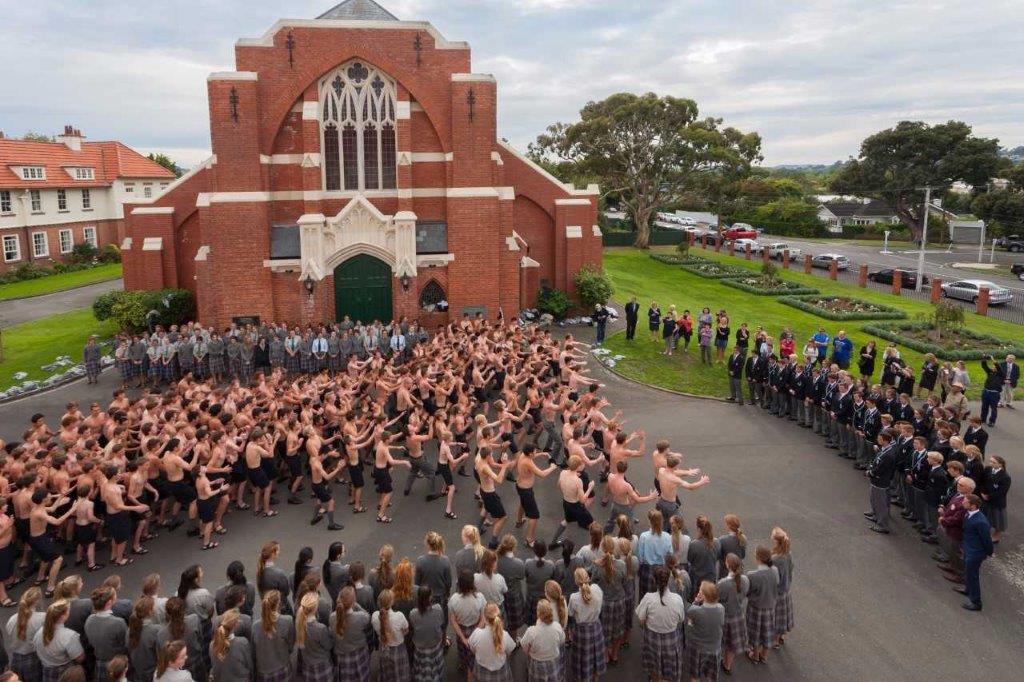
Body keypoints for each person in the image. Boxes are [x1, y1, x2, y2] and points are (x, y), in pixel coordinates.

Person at [635, 566, 685, 682]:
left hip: (652, 639)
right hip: (671, 640)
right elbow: (680, 620)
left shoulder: (648, 598)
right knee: (669, 669)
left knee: (654, 667)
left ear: (654, 580)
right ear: (669, 580)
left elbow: (641, 620)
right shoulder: (677, 599)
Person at [957, 494, 994, 611]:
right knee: (968, 572)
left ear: (972, 506)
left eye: (965, 501)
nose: (962, 502)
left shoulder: (981, 522)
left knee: (973, 575)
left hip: (975, 553)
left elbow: (987, 540)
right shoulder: (969, 514)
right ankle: (968, 589)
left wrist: (989, 552)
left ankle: (976, 602)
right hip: (969, 548)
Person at [567, 568, 605, 681]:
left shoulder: (574, 597)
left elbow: (570, 613)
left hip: (581, 632)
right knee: (596, 659)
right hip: (596, 627)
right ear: (588, 577)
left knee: (581, 659)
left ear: (576, 581)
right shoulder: (597, 589)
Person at [744, 547, 779, 665]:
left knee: (755, 632)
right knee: (767, 630)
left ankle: (755, 655)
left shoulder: (753, 575)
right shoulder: (774, 571)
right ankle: (764, 655)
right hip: (770, 606)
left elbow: (747, 592)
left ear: (758, 558)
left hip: (756, 607)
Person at [686, 581, 725, 682]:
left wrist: (696, 601)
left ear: (703, 596)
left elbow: (689, 620)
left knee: (695, 676)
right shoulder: (721, 608)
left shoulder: (695, 611)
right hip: (714, 648)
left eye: (700, 591)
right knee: (711, 676)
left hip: (697, 648)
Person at [716, 554, 749, 675]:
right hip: (738, 616)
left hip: (724, 617)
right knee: (731, 645)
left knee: (719, 642)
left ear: (727, 565)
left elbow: (716, 599)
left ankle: (718, 660)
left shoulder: (722, 583)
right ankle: (727, 666)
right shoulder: (745, 580)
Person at [468, 602, 517, 682]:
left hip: (481, 673)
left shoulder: (477, 634)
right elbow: (509, 652)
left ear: (484, 617)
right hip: (501, 673)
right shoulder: (505, 635)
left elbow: (472, 649)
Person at [520, 599, 565, 681]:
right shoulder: (557, 626)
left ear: (538, 613)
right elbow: (562, 640)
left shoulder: (531, 631)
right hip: (553, 662)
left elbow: (523, 644)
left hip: (537, 665)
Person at [409, 586, 445, 681]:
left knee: (421, 672)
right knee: (436, 671)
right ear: (430, 597)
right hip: (435, 647)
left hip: (420, 649)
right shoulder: (438, 609)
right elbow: (442, 627)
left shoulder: (413, 613)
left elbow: (412, 629)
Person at [371, 589, 409, 681]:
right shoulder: (399, 616)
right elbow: (406, 630)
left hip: (383, 648)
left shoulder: (375, 616)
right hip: (398, 649)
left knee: (386, 672)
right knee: (400, 673)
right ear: (392, 602)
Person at [981, 455, 1010, 544]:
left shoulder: (1005, 477)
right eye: (990, 461)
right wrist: (982, 492)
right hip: (985, 500)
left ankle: (996, 537)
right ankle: (985, 535)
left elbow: (1002, 492)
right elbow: (983, 481)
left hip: (997, 502)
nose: (991, 464)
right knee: (986, 518)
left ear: (1000, 464)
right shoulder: (988, 470)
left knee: (997, 521)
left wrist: (989, 496)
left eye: (994, 462)